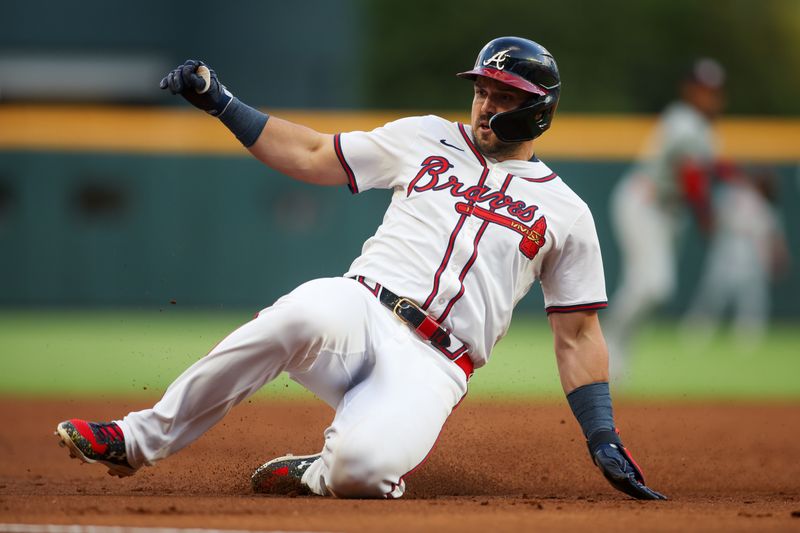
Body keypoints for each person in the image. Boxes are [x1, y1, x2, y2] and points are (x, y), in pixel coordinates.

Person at [55, 37, 665, 500]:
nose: (485, 103)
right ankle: (136, 439)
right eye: (482, 89)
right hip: (362, 308)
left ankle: (320, 472)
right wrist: (222, 103)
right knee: (298, 312)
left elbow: (579, 335)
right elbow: (315, 153)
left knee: (363, 472)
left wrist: (602, 434)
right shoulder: (425, 137)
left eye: (504, 96)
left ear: (538, 111)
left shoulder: (566, 213)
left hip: (436, 363)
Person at [604, 58, 727, 379]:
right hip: (645, 203)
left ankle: (615, 355)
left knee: (642, 286)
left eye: (713, 91)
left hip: (667, 212)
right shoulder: (685, 122)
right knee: (655, 285)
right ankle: (606, 343)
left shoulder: (703, 128)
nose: (709, 96)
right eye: (702, 89)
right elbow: (692, 178)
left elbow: (711, 168)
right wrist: (706, 217)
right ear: (689, 90)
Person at [681, 169, 790, 348]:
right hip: (729, 253)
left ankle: (746, 338)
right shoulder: (739, 196)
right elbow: (714, 219)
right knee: (714, 297)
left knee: (752, 300)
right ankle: (697, 334)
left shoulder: (762, 206)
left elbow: (773, 237)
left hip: (748, 258)